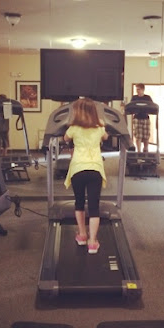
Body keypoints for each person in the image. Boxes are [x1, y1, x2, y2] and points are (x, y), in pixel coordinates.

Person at [64, 98, 108, 254]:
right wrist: (101, 125)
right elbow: (106, 137)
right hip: (95, 169)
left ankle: (82, 235)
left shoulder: (73, 128)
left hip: (78, 169)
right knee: (94, 206)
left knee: (79, 202)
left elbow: (65, 138)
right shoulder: (100, 126)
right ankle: (92, 242)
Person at [131, 83, 153, 152]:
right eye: (136, 89)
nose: (137, 91)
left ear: (143, 89)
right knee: (138, 136)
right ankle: (139, 151)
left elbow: (152, 106)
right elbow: (131, 107)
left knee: (146, 136)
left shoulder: (147, 98)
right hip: (137, 118)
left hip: (145, 118)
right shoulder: (134, 98)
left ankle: (145, 149)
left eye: (139, 89)